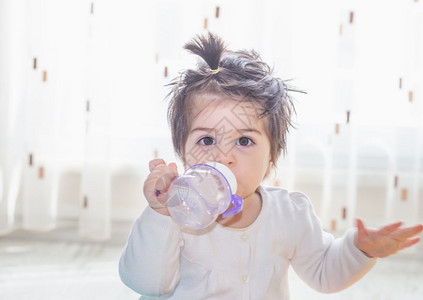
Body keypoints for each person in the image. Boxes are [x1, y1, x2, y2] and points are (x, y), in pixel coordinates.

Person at [119, 33, 423, 299]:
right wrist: (161, 215)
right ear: (183, 151)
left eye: (244, 141)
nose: (224, 157)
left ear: (272, 158)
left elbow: (324, 274)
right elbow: (147, 284)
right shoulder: (177, 214)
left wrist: (359, 249)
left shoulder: (289, 213)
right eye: (207, 140)